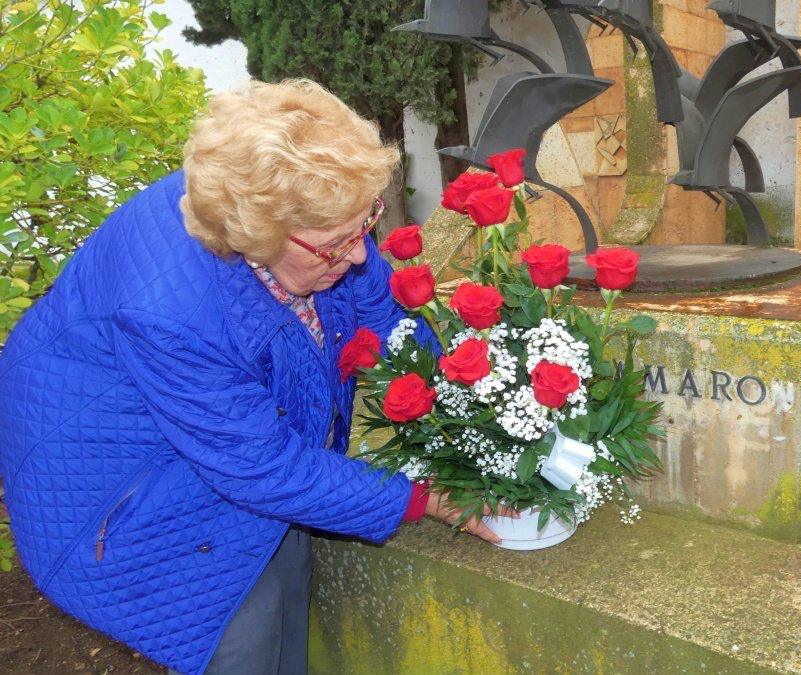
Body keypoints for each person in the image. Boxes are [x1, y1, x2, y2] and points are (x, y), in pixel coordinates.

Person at [0, 79, 511, 675]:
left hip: (222, 443)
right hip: (118, 488)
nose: (358, 255)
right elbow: (260, 468)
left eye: (365, 223)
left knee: (287, 568)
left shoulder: (302, 215)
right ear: (256, 238)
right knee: (240, 625)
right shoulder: (170, 313)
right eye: (334, 245)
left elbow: (384, 313)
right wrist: (423, 498)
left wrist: (455, 398)